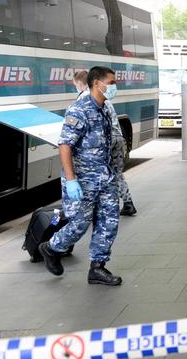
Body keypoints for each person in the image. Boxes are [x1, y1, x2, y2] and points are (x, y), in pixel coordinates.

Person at [39, 66, 123, 286]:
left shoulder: (104, 108)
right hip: (82, 180)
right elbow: (65, 145)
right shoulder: (80, 109)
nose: (115, 87)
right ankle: (51, 247)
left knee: (109, 221)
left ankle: (98, 267)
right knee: (79, 224)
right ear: (97, 83)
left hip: (105, 178)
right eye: (111, 83)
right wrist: (72, 179)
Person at [74, 71, 137, 216]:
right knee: (116, 173)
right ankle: (128, 203)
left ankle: (97, 208)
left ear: (79, 84)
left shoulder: (84, 99)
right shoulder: (104, 97)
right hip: (118, 138)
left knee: (97, 173)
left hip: (104, 141)